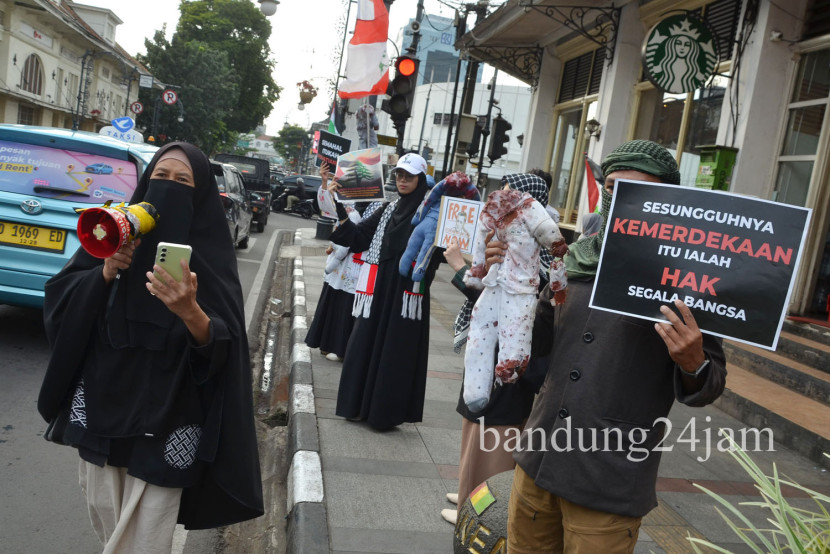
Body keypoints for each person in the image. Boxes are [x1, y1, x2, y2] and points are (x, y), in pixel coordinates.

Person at [38, 142, 263, 552]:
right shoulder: (114, 239)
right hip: (104, 404)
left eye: (182, 181)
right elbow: (60, 302)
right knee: (105, 517)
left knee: (147, 538)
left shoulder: (210, 258)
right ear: (146, 182)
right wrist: (105, 272)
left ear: (198, 194)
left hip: (170, 413)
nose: (169, 186)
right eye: (161, 177)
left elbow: (223, 346)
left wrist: (190, 311)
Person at [504, 140, 727, 553]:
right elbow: (536, 341)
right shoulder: (574, 258)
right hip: (539, 457)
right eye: (611, 187)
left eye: (635, 191)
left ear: (665, 200)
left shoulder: (688, 277)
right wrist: (510, 283)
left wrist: (692, 362)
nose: (618, 198)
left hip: (608, 476)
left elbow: (710, 381)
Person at [440, 238, 548, 525]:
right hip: (492, 363)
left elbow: (502, 307)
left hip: (506, 370)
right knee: (476, 444)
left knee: (491, 452)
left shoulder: (532, 256)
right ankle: (467, 496)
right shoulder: (522, 246)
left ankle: (478, 517)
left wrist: (460, 268)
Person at [327, 153, 436, 429]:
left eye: (409, 176)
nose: (402, 180)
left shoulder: (431, 213)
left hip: (405, 293)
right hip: (377, 289)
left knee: (394, 351)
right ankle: (357, 406)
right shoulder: (388, 208)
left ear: (421, 179)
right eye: (399, 175)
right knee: (362, 342)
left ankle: (382, 415)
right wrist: (339, 205)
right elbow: (358, 236)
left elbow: (438, 253)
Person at [305, 162, 382, 361]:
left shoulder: (379, 205)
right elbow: (327, 210)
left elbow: (364, 232)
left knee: (350, 304)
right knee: (333, 299)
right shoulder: (348, 199)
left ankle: (342, 350)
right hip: (341, 259)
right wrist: (325, 183)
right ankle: (326, 342)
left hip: (361, 259)